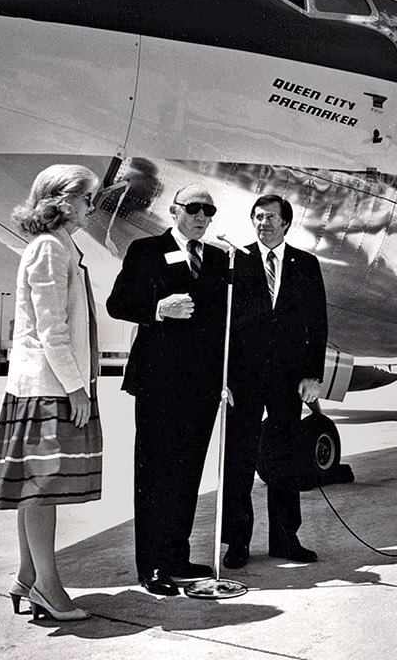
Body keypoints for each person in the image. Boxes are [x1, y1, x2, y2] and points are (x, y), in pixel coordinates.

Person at [0, 163, 102, 622]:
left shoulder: (59, 247)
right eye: (87, 199)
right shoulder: (50, 249)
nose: (92, 208)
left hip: (43, 386)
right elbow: (52, 330)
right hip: (47, 388)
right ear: (65, 202)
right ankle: (50, 588)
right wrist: (77, 388)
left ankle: (27, 576)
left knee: (35, 490)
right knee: (43, 492)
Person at [106, 183, 227, 595]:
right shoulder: (145, 250)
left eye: (208, 211)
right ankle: (152, 565)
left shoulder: (218, 258)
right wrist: (158, 309)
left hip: (203, 387)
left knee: (188, 473)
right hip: (159, 383)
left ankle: (177, 554)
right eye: (194, 208)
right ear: (174, 211)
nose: (201, 217)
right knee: (155, 473)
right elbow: (117, 304)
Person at [222, 194, 328, 569]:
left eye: (270, 217)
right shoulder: (236, 261)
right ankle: (237, 542)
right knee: (239, 461)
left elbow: (317, 326)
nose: (263, 222)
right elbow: (226, 326)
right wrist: (225, 379)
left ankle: (285, 538)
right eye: (258, 217)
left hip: (287, 381)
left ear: (286, 223)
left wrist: (313, 376)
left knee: (285, 459)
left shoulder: (307, 265)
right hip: (244, 381)